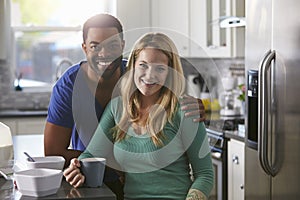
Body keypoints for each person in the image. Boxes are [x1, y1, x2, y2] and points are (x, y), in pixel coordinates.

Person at [44, 14, 206, 199]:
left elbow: (204, 173)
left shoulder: (140, 75)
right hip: (92, 179)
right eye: (95, 46)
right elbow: (56, 153)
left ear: (122, 45)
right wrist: (87, 164)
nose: (104, 53)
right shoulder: (71, 87)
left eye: (112, 45)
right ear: (84, 48)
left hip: (132, 183)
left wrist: (193, 106)